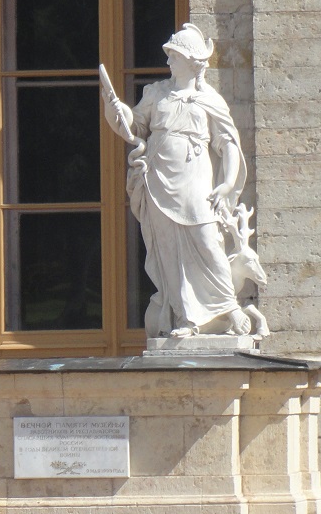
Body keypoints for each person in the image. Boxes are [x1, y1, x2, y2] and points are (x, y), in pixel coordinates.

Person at [102, 24, 250, 337]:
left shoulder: (209, 99)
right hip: (159, 180)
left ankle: (228, 307)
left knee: (207, 240)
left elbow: (228, 144)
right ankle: (186, 318)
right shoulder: (156, 93)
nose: (169, 61)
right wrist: (118, 111)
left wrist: (226, 183)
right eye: (169, 55)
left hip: (195, 178)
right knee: (168, 250)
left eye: (175, 56)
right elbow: (134, 128)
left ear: (192, 62)